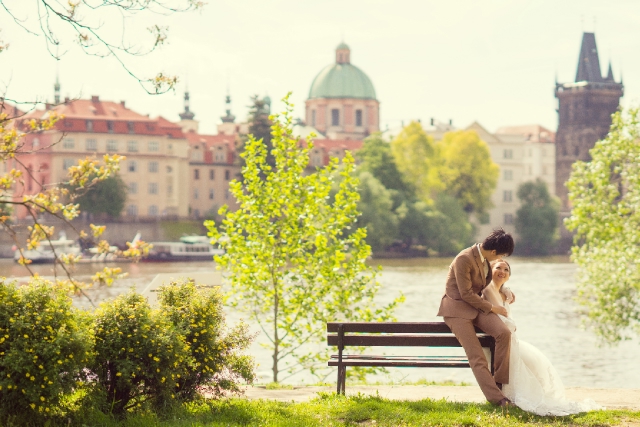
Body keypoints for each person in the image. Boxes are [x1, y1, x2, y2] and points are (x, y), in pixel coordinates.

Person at [483, 259, 602, 415]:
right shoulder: (486, 291)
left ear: (509, 276)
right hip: (499, 341)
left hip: (510, 339)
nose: (502, 272)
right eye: (498, 268)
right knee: (526, 363)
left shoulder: (503, 292)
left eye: (506, 270)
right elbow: (490, 317)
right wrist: (509, 323)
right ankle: (507, 396)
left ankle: (518, 395)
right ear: (490, 271)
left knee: (535, 364)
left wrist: (507, 289)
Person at [437, 228, 515, 406]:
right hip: (456, 310)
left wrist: (504, 288)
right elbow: (465, 294)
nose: (499, 259)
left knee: (504, 333)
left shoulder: (486, 259)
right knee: (477, 357)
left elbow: (486, 284)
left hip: (476, 307)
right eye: (500, 255)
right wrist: (493, 308)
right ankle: (498, 399)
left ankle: (498, 384)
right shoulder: (464, 259)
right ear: (493, 251)